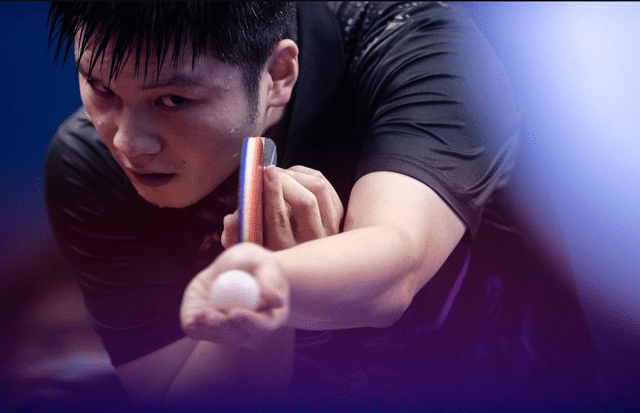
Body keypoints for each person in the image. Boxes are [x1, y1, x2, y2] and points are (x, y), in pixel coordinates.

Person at [44, 2, 607, 410]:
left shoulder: (421, 51)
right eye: (102, 89)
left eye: (173, 100)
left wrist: (266, 276)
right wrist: (259, 319)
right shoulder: (88, 164)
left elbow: (396, 265)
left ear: (278, 74)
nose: (128, 143)